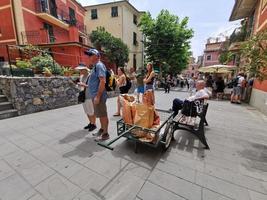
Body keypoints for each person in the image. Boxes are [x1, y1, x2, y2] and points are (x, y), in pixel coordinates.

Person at [85, 48, 109, 141]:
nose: (89, 56)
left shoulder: (99, 65)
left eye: (90, 54)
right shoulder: (95, 66)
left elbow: (102, 81)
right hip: (95, 95)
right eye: (89, 55)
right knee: (99, 114)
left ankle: (105, 134)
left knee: (103, 115)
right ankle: (102, 129)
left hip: (98, 96)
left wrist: (98, 96)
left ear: (97, 56)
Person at [76, 64, 97, 132]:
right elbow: (80, 87)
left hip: (90, 96)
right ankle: (91, 123)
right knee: (87, 111)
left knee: (91, 111)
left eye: (81, 70)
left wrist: (83, 85)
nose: (80, 71)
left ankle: (94, 124)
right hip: (84, 96)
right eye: (79, 70)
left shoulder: (90, 76)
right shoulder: (81, 76)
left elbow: (93, 86)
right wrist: (78, 85)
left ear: (85, 69)